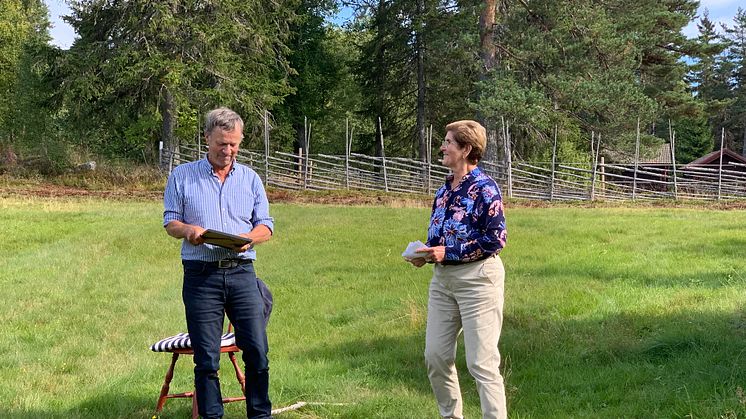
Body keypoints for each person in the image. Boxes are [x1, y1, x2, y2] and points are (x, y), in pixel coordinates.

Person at [163, 107, 274, 419]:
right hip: (201, 276)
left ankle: (260, 415)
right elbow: (171, 222)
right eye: (222, 144)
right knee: (207, 359)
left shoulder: (251, 179)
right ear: (206, 139)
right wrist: (190, 231)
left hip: (241, 273)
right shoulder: (182, 176)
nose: (228, 151)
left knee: (257, 352)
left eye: (234, 144)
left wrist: (252, 237)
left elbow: (266, 224)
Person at [408, 120, 508, 419]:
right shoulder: (443, 190)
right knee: (435, 357)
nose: (442, 146)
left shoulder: (484, 188)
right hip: (443, 281)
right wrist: (425, 253)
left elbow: (496, 239)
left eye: (448, 142)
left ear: (466, 149)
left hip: (478, 280)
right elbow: (439, 237)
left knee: (481, 362)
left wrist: (447, 252)